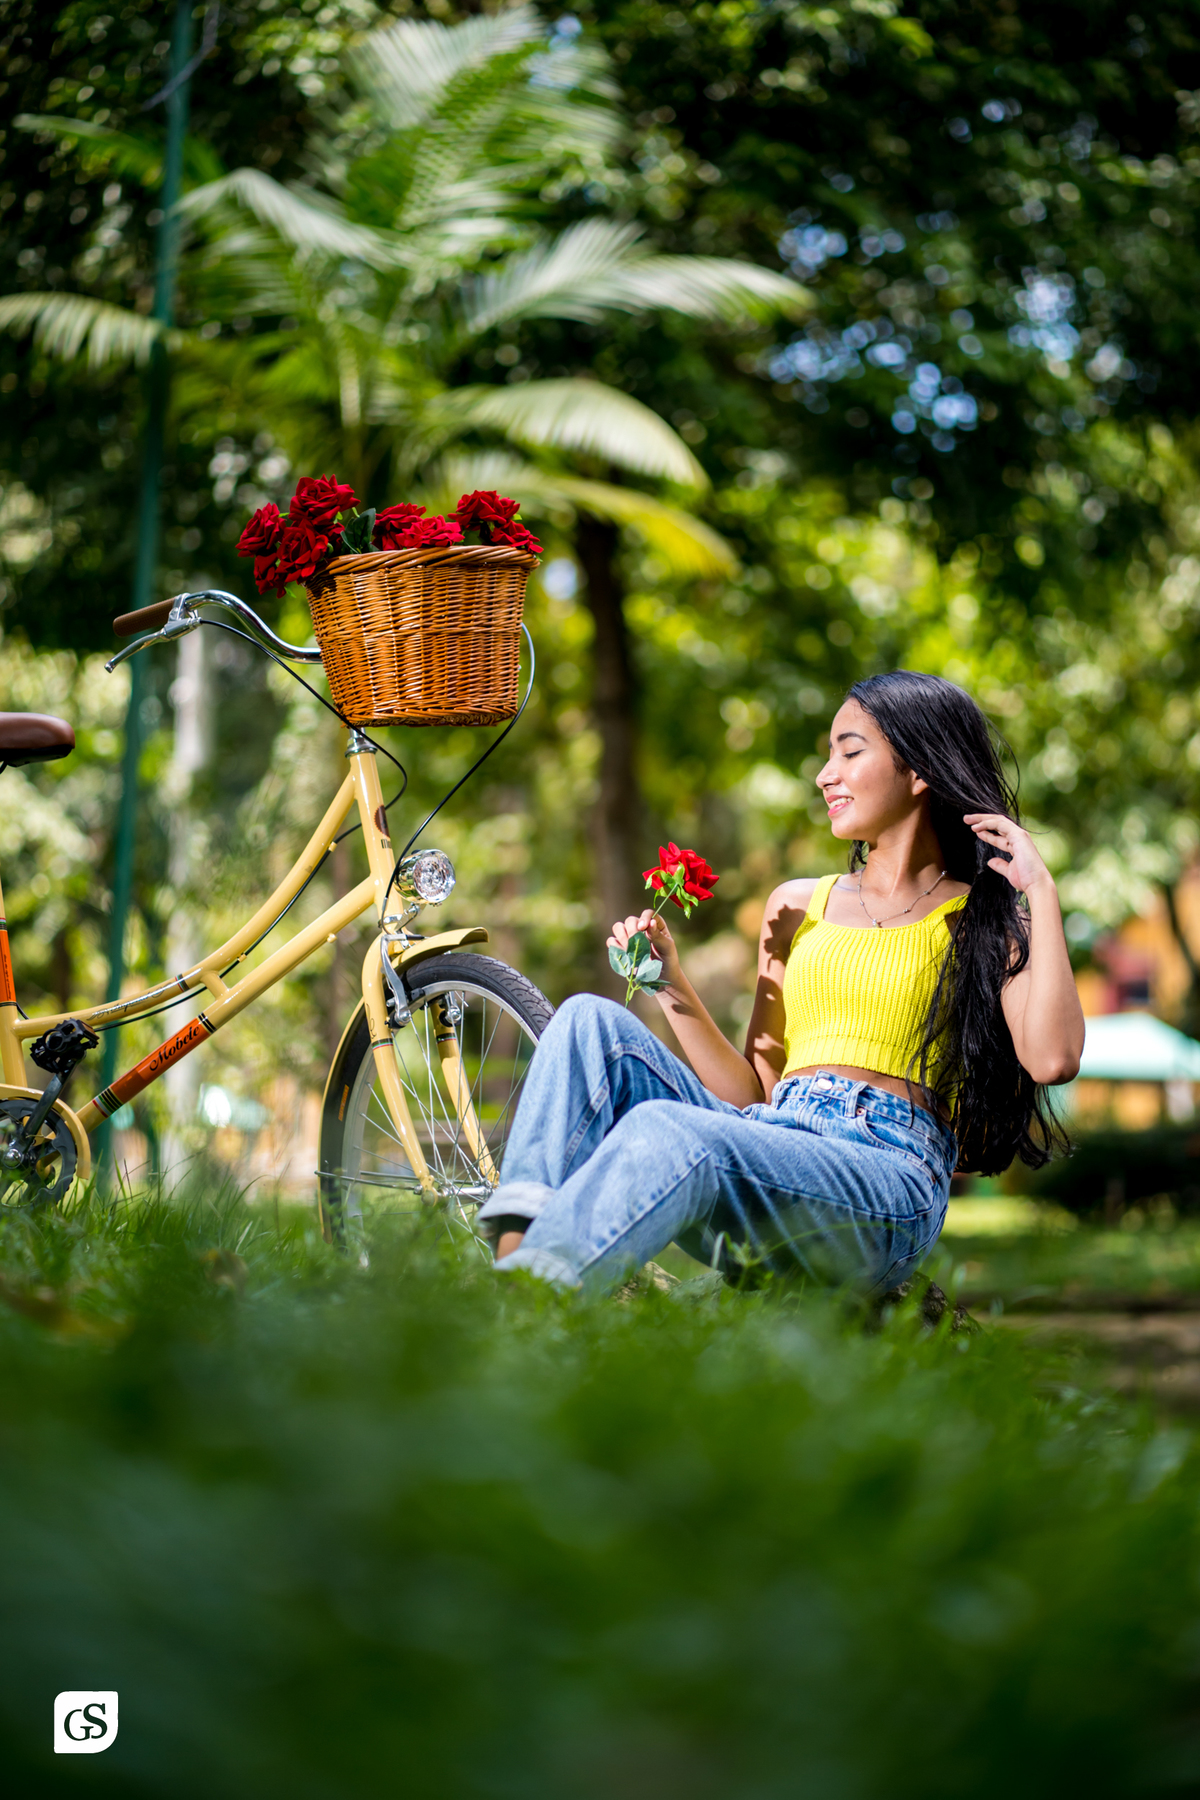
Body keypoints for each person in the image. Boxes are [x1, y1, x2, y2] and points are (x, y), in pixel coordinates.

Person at [477, 671, 1084, 1293]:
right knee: (585, 1021)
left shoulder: (981, 921)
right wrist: (672, 985)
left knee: (670, 1130)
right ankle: (515, 1263)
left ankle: (540, 1295)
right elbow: (754, 1095)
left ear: (919, 769)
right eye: (829, 756)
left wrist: (1040, 889)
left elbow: (1054, 1059)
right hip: (770, 1142)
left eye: (849, 752)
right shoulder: (797, 905)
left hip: (885, 1177)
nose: (825, 774)